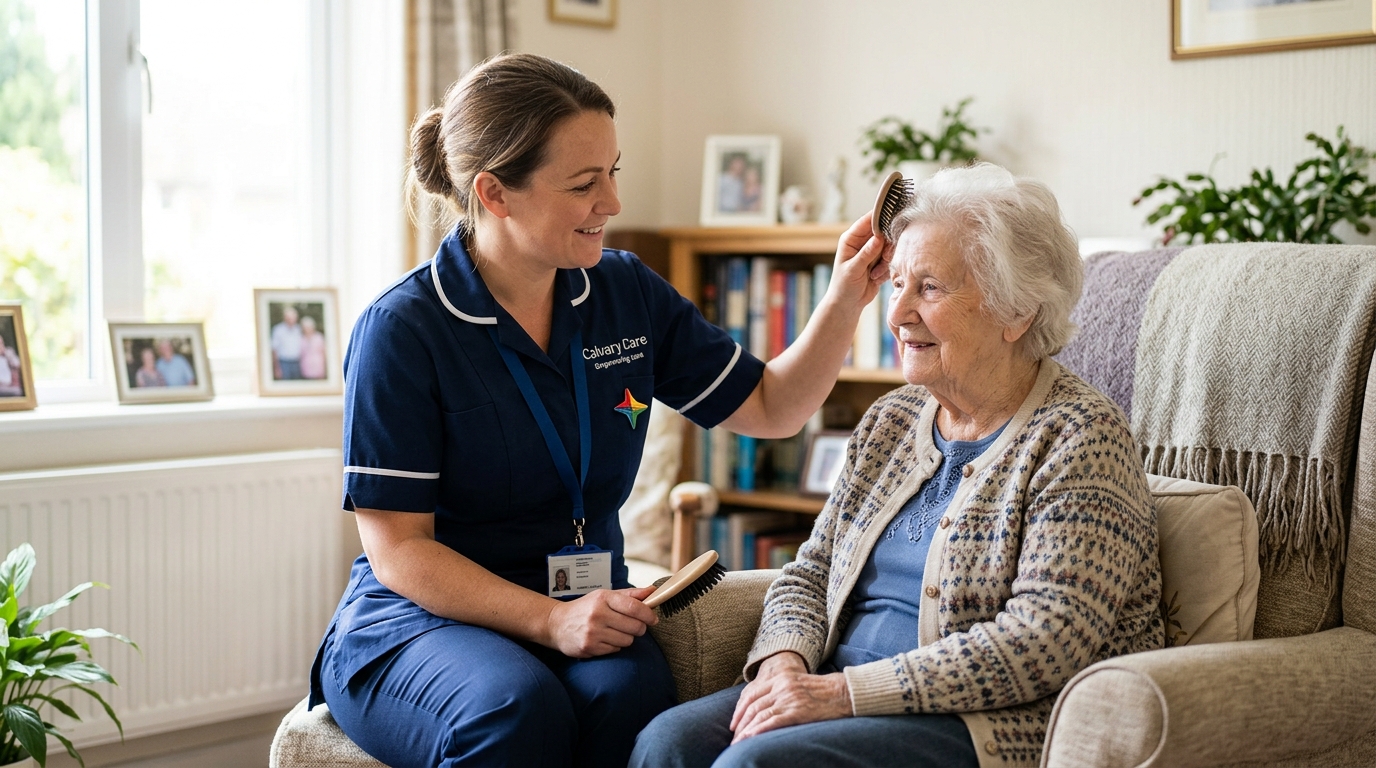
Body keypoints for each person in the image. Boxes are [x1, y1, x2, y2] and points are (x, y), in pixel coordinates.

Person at [308, 53, 890, 768]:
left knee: (629, 703)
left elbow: (772, 406)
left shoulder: (623, 292)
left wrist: (845, 298)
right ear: (495, 193)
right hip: (423, 619)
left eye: (615, 172)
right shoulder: (403, 329)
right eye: (585, 184)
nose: (611, 202)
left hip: (589, 604)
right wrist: (550, 620)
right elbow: (397, 547)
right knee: (516, 709)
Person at [631, 164, 1164, 768]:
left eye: (930, 288)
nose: (896, 314)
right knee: (666, 743)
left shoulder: (1080, 437)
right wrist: (784, 665)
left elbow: (1044, 642)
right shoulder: (892, 420)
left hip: (979, 720)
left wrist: (838, 694)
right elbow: (812, 572)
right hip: (836, 689)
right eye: (898, 284)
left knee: (754, 765)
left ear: (1017, 311)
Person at [271, 306, 304, 380]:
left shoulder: (299, 329)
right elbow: (274, 349)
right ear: (284, 318)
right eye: (289, 318)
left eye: (293, 318)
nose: (291, 320)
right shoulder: (278, 330)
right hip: (283, 363)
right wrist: (276, 368)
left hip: (297, 362)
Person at [298, 315, 327, 380]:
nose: (307, 329)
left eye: (309, 327)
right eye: (305, 327)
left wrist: (325, 368)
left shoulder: (319, 337)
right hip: (306, 368)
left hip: (318, 367)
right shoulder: (301, 338)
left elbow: (324, 352)